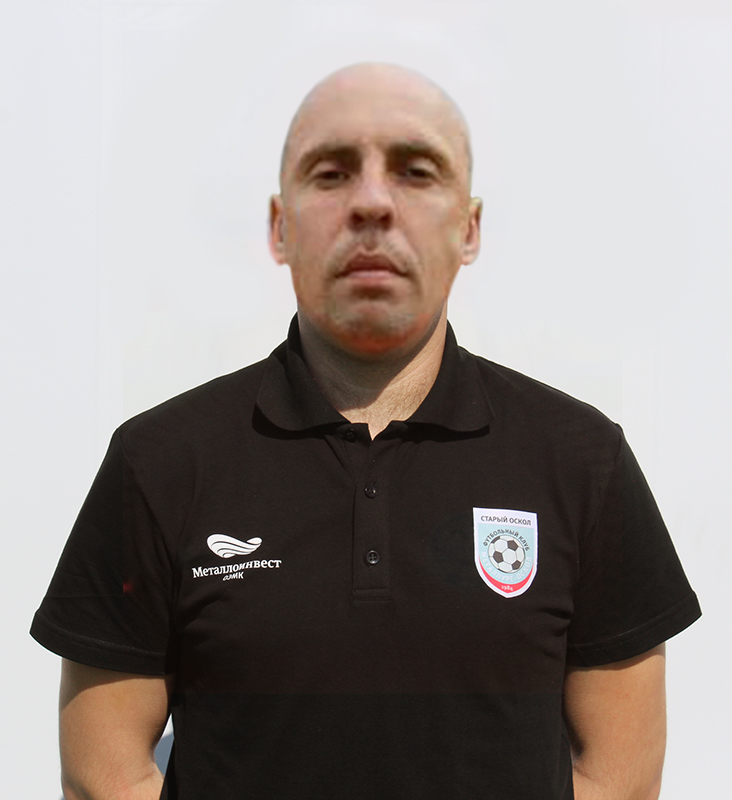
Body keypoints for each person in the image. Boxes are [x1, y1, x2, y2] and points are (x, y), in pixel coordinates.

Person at [32, 62, 701, 800]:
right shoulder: (159, 462)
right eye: (331, 173)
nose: (373, 203)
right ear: (280, 228)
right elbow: (104, 773)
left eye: (416, 171)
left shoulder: (583, 462)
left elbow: (619, 775)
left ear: (468, 228)